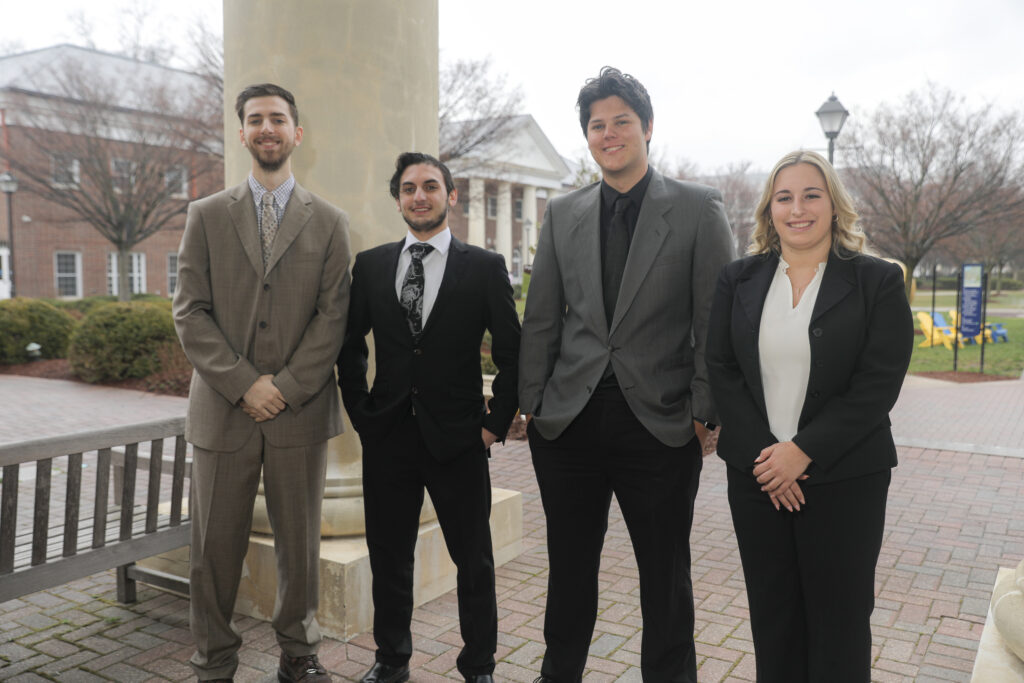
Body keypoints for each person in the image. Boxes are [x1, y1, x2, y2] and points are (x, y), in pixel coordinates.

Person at [518, 66, 734, 682]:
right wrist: (532, 404)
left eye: (620, 122)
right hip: (569, 427)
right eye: (596, 125)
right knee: (569, 572)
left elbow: (712, 320)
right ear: (586, 137)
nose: (608, 134)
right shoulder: (563, 213)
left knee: (665, 579)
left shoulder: (697, 208)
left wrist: (703, 409)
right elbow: (541, 318)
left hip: (661, 427)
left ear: (647, 128)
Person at [706, 150, 914, 682]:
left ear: (834, 205)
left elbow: (878, 383)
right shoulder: (738, 279)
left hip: (846, 480)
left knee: (841, 623)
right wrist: (771, 460)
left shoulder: (877, 281)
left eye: (811, 195)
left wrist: (803, 451)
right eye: (784, 197)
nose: (798, 208)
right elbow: (722, 369)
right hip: (757, 479)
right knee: (773, 620)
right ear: (769, 210)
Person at [173, 83, 350, 683]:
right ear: (242, 133)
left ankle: (299, 653)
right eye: (255, 120)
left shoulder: (329, 222)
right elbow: (189, 312)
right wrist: (246, 383)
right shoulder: (205, 215)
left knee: (299, 547)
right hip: (223, 412)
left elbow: (334, 319)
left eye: (278, 119)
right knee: (213, 551)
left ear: (297, 133)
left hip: (299, 413)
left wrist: (289, 386)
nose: (267, 128)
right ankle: (214, 660)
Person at [338, 152, 520, 683]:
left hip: (460, 439)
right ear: (398, 198)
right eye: (409, 188)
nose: (420, 195)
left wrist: (493, 424)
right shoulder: (372, 265)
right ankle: (391, 660)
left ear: (451, 196)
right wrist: (363, 415)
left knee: (474, 560)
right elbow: (350, 347)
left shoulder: (484, 267)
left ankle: (478, 665)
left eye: (431, 186)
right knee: (389, 558)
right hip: (388, 436)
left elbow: (513, 351)